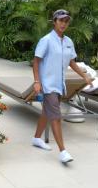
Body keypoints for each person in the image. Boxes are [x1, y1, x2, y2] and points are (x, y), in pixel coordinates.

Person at [31, 9, 93, 163]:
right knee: (56, 116)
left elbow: (71, 61)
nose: (63, 23)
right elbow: (36, 62)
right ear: (54, 22)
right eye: (61, 20)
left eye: (66, 21)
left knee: (47, 111)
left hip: (60, 84)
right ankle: (63, 151)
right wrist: (37, 81)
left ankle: (37, 138)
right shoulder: (46, 40)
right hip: (48, 84)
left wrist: (84, 75)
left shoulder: (68, 42)